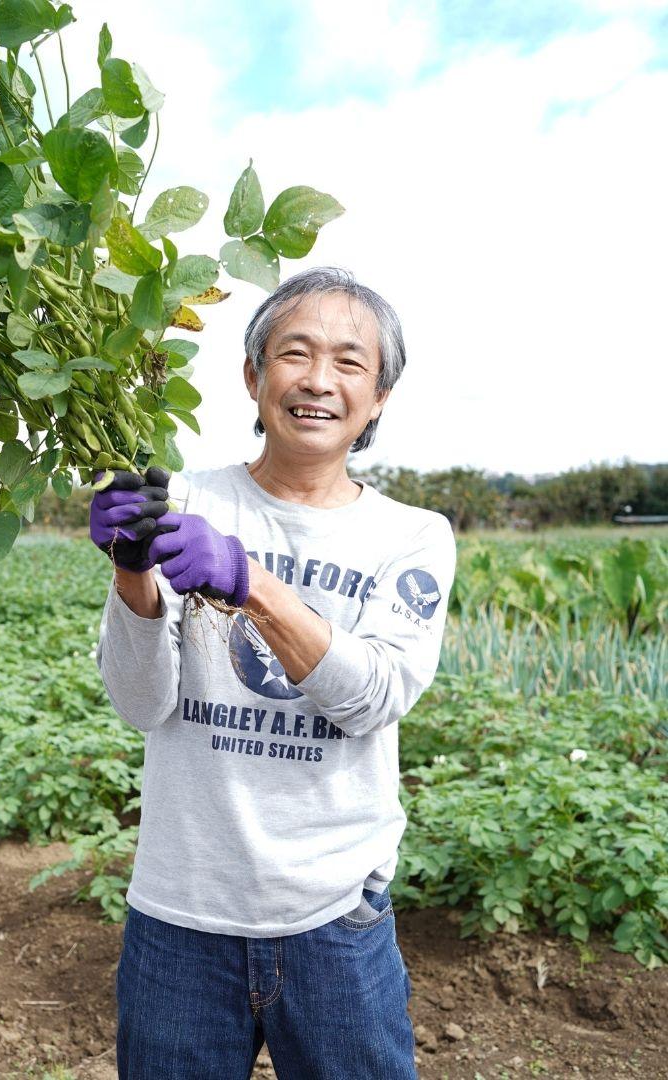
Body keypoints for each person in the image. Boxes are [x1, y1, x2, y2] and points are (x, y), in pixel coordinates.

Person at [89, 266, 457, 1080]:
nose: (319, 380)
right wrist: (130, 577)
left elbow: (375, 697)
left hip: (334, 922)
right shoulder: (182, 497)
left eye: (349, 362)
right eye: (295, 353)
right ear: (254, 377)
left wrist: (250, 583)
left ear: (380, 394)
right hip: (181, 916)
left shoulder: (412, 536)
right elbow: (140, 702)